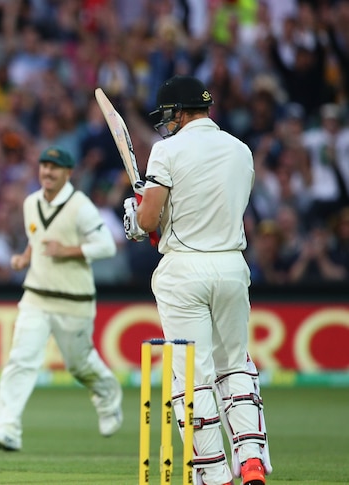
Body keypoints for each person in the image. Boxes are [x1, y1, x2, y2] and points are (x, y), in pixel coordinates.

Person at [123, 75, 272, 485]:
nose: (165, 123)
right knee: (235, 366)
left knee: (193, 376)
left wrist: (136, 221)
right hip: (231, 265)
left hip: (184, 269)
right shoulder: (241, 150)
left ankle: (215, 473)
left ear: (178, 112)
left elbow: (150, 220)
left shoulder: (166, 150)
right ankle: (252, 461)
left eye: (168, 115)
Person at [0, 146, 123, 452]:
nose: (47, 172)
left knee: (79, 366)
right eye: (44, 166)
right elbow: (39, 239)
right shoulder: (31, 202)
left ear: (68, 173)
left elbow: (106, 246)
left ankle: (109, 396)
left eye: (54, 168)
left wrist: (67, 251)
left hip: (74, 300)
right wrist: (25, 257)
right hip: (36, 296)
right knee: (20, 361)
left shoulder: (81, 206)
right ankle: (6, 430)